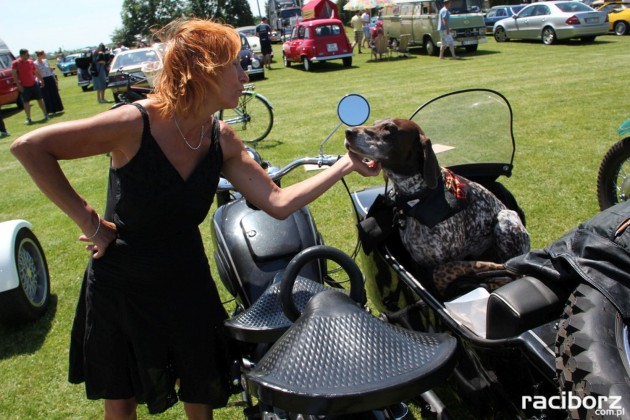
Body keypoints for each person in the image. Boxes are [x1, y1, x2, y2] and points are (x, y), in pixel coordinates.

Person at [10, 18, 380, 419]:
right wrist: (91, 223)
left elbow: (276, 201)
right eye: (237, 65)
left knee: (200, 385)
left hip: (187, 276)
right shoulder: (134, 123)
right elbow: (30, 147)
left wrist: (345, 165)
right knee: (121, 397)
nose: (245, 74)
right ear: (204, 70)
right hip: (123, 281)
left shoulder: (221, 138)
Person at [11, 49, 48, 125]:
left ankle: (45, 114)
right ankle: (29, 118)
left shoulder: (30, 62)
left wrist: (41, 80)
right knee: (26, 102)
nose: (28, 56)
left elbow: (35, 71)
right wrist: (18, 85)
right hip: (24, 86)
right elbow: (14, 74)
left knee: (40, 99)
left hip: (34, 84)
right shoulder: (16, 63)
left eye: (28, 54)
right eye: (27, 54)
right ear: (22, 55)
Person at [34, 50, 64, 115]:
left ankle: (57, 108)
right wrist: (41, 81)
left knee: (54, 93)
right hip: (43, 79)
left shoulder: (46, 61)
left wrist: (54, 78)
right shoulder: (35, 63)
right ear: (39, 55)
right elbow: (37, 72)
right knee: (46, 95)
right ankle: (50, 110)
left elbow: (50, 70)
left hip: (50, 77)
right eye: (43, 54)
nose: (44, 55)